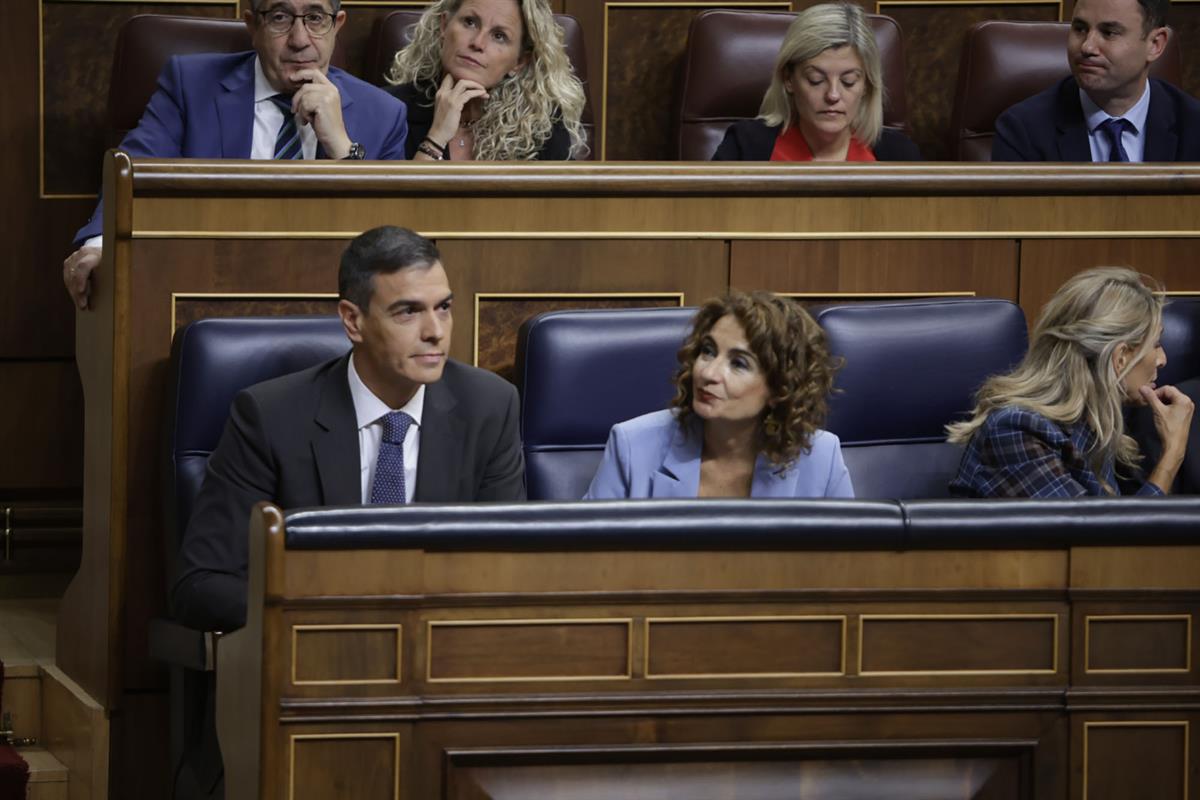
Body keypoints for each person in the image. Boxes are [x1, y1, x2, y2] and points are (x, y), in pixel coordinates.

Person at [172, 226, 525, 633]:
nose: (436, 332)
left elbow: (507, 570)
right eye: (408, 311)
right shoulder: (270, 417)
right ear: (353, 321)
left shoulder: (490, 407)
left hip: (444, 659)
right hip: (312, 660)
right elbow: (201, 585)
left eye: (443, 307)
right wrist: (339, 617)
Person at [62, 0, 409, 310]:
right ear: (252, 26)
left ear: (338, 25)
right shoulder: (191, 87)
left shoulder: (382, 114)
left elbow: (388, 248)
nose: (300, 39)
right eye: (280, 17)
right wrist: (102, 246)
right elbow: (132, 175)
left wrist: (341, 148)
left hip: (328, 303)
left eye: (316, 18)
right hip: (206, 294)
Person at [948, 267, 1194, 498]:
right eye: (1155, 344)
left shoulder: (1094, 423)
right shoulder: (1018, 431)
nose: (1162, 360)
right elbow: (1107, 542)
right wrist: (1173, 455)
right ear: (1120, 358)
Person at [584, 291, 854, 499]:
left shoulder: (821, 457)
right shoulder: (633, 445)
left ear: (780, 389)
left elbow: (848, 567)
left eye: (738, 364)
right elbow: (585, 560)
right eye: (708, 351)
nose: (709, 373)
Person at [991, 0, 1200, 161]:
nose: (1087, 47)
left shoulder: (1193, 127)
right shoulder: (1023, 131)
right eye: (1080, 29)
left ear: (1155, 44)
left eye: (1109, 32)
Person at [712, 3, 920, 161]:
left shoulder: (898, 155)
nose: (833, 95)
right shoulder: (745, 147)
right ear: (788, 79)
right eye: (816, 80)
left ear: (866, 84)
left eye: (848, 81)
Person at [384, 0, 587, 161]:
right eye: (469, 22)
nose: (477, 43)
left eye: (499, 36)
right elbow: (385, 211)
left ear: (519, 62)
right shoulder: (390, 110)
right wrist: (436, 137)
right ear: (444, 26)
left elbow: (566, 209)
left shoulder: (542, 126)